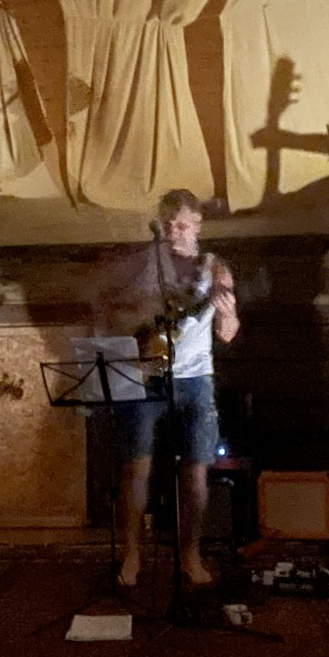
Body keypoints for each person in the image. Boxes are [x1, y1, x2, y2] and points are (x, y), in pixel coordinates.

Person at [100, 190, 239, 588]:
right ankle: (132, 555)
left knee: (196, 469)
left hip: (195, 377)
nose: (173, 232)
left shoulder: (215, 269)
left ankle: (190, 554)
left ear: (197, 226)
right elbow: (112, 310)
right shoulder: (145, 263)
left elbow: (228, 333)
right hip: (147, 372)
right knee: (135, 467)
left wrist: (227, 314)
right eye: (167, 225)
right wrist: (136, 325)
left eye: (181, 225)